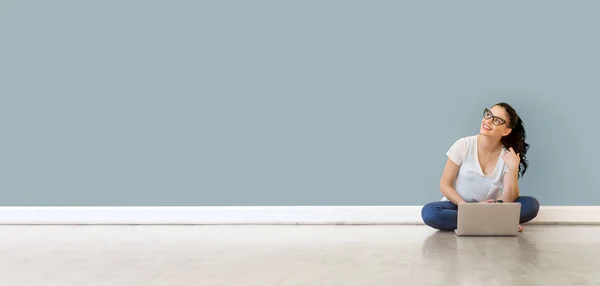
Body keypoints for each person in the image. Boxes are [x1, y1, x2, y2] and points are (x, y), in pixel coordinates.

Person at [421, 102, 539, 232]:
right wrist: (469, 209)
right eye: (489, 114)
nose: (488, 121)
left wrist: (513, 168)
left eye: (497, 120)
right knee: (430, 212)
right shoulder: (463, 145)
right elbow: (445, 185)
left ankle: (477, 222)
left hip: (491, 207)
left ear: (506, 131)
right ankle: (494, 222)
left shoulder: (507, 155)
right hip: (458, 205)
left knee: (531, 205)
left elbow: (508, 201)